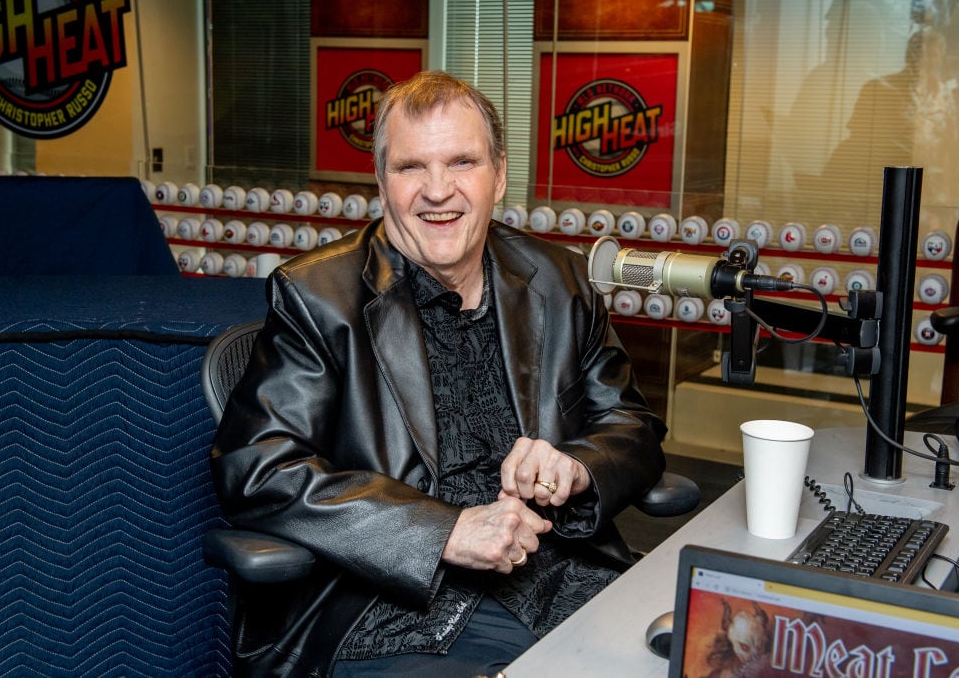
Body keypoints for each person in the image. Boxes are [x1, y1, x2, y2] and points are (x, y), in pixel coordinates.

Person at [209, 70, 667, 678]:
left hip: (561, 573)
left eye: (462, 162)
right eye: (411, 168)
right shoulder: (317, 295)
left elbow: (630, 423)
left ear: (498, 175)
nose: (438, 190)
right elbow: (257, 468)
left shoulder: (559, 280)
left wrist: (578, 466)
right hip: (389, 603)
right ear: (382, 182)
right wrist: (442, 532)